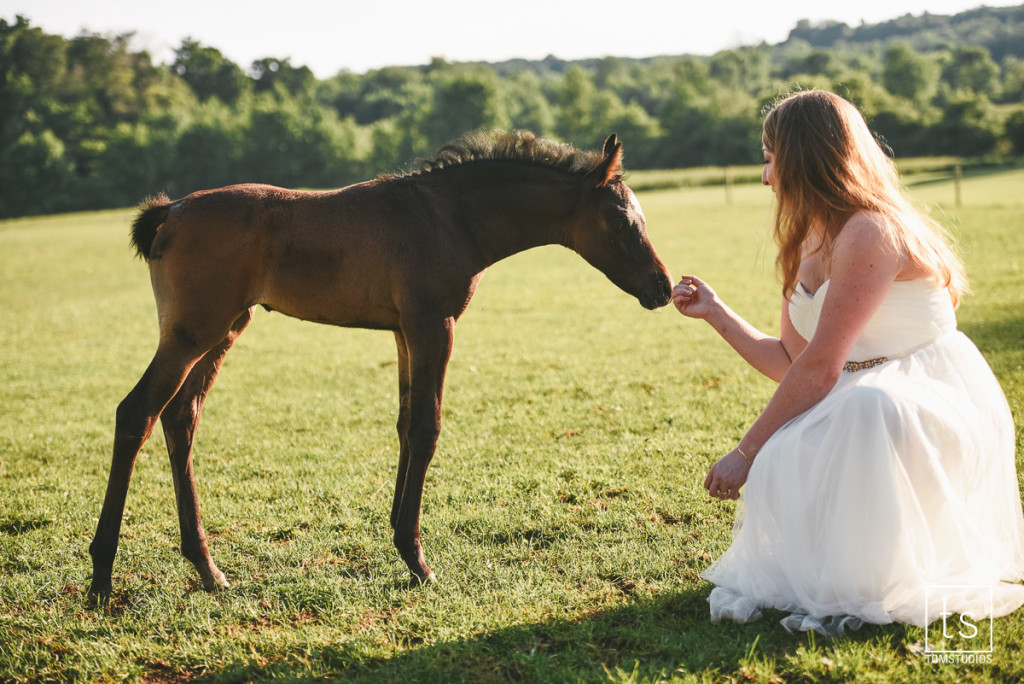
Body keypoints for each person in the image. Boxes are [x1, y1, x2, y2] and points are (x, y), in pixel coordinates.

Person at [672, 89, 1024, 635]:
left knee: (866, 410)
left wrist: (745, 451)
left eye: (770, 160)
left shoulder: (870, 230)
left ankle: (876, 582)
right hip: (856, 390)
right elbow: (792, 360)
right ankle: (842, 574)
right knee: (818, 429)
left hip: (924, 396)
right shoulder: (808, 239)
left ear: (803, 160)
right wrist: (715, 313)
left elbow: (821, 367)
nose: (765, 177)